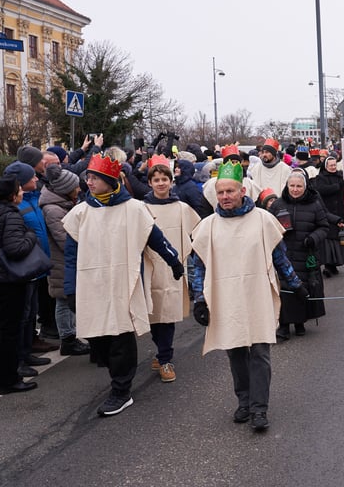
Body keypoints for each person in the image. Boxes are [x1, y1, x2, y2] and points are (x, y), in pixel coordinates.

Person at [189, 160, 309, 431]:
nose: (225, 197)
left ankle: (259, 408)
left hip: (257, 297)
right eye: (221, 192)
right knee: (235, 351)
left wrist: (296, 285)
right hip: (226, 298)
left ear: (242, 191)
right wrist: (199, 299)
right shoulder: (208, 226)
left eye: (230, 191)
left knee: (259, 352)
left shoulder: (264, 220)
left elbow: (280, 258)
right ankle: (244, 401)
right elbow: (197, 265)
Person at [62, 153, 185, 416]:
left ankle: (121, 391)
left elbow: (156, 239)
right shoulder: (80, 213)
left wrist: (173, 261)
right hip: (92, 285)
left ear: (109, 180)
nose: (89, 182)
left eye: (94, 177)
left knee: (120, 335)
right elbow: (71, 255)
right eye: (88, 177)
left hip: (123, 283)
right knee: (99, 339)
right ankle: (117, 375)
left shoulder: (134, 209)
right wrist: (70, 288)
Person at [142, 156, 201, 383]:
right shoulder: (141, 208)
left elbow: (198, 232)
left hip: (173, 268)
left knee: (167, 315)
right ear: (150, 183)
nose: (160, 183)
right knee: (154, 314)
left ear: (170, 181)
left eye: (164, 178)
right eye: (155, 179)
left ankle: (165, 358)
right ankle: (161, 351)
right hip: (150, 267)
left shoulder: (181, 208)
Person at [0, 176, 40, 394]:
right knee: (10, 331)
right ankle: (8, 380)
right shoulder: (11, 216)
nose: (22, 193)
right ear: (10, 195)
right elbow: (15, 249)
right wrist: (30, 236)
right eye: (19, 190)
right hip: (9, 280)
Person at [2, 160, 55, 377]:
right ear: (21, 182)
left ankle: (27, 350)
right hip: (23, 269)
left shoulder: (33, 199)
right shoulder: (16, 206)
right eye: (31, 176)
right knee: (22, 315)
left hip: (37, 268)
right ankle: (19, 359)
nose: (36, 178)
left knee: (31, 313)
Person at [268, 170, 329, 340]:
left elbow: (324, 227)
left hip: (305, 253)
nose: (295, 189)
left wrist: (313, 238)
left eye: (298, 186)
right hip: (283, 254)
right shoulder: (277, 205)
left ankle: (300, 322)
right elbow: (267, 226)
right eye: (292, 186)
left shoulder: (314, 204)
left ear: (305, 187)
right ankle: (284, 326)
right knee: (285, 289)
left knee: (302, 287)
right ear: (287, 187)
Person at [39, 163, 90, 356]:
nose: (78, 189)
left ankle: (71, 334)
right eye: (75, 187)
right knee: (62, 300)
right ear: (65, 189)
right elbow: (65, 239)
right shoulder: (53, 210)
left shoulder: (63, 204)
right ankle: (67, 339)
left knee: (66, 300)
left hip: (66, 260)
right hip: (61, 261)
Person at [313, 155, 344, 277]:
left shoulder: (340, 175)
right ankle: (328, 265)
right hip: (327, 212)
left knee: (339, 239)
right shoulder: (321, 178)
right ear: (326, 166)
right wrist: (338, 186)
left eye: (335, 165)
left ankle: (335, 264)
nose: (333, 167)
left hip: (339, 211)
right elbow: (322, 190)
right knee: (328, 240)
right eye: (331, 165)